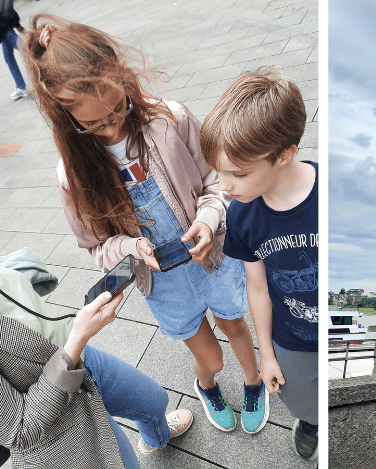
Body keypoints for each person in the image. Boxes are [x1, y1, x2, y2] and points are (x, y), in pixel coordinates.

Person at [21, 14, 268, 435]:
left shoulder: (169, 118)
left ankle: (254, 381)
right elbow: (96, 246)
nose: (112, 127)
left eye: (119, 109)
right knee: (211, 358)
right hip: (163, 282)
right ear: (65, 116)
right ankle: (206, 385)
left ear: (124, 76)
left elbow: (216, 180)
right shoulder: (72, 175)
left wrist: (208, 219)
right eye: (94, 124)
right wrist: (132, 247)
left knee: (234, 323)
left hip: (213, 254)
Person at [0, 165, 192, 468]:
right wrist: (79, 337)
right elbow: (20, 430)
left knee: (153, 400)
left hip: (73, 354)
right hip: (61, 422)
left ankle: (155, 438)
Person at [199, 67, 319, 458]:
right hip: (291, 335)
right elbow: (257, 285)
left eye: (239, 173)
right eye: (218, 172)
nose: (223, 185)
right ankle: (310, 422)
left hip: (338, 330)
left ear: (284, 154)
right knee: (299, 396)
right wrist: (266, 353)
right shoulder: (242, 215)